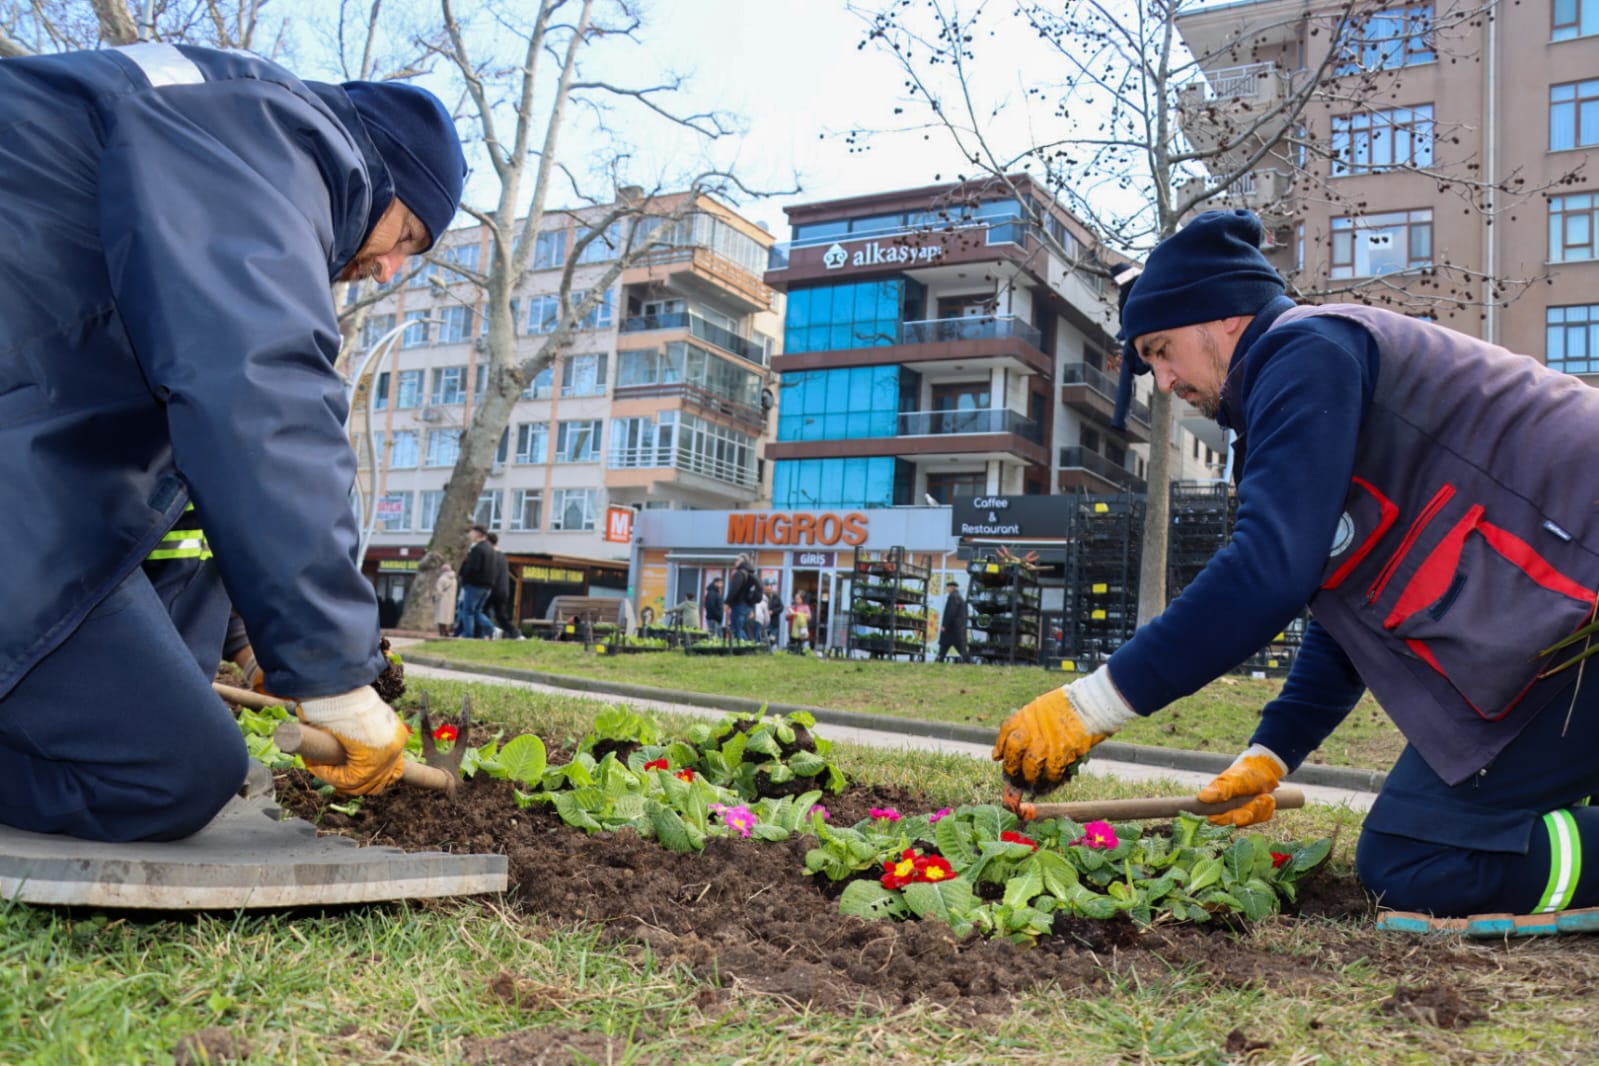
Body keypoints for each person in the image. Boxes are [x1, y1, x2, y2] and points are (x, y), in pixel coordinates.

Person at [994, 208, 1599, 920]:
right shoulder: (1304, 381)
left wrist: (1091, 704)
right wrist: (1272, 753)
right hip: (1564, 626)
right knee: (1421, 848)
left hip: (1577, 624)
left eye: (1160, 350)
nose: (1160, 381)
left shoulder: (1306, 351)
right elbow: (1341, 604)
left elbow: (1268, 571)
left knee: (1421, 860)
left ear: (1222, 319)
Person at [0, 43, 467, 842]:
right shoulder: (273, 136)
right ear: (377, 178)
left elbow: (195, 456)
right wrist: (334, 672)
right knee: (172, 775)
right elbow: (257, 395)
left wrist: (252, 644)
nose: (390, 267)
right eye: (407, 235)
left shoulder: (206, 123)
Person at [455, 525, 498, 639]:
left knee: (468, 611)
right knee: (477, 611)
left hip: (475, 585)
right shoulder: (490, 549)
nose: (470, 535)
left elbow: (473, 568)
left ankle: (469, 634)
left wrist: (464, 576)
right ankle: (492, 629)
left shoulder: (477, 549)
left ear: (478, 534)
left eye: (472, 532)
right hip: (487, 586)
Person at [485, 531, 516, 639]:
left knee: (479, 612)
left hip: (493, 589)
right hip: (503, 589)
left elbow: (491, 572)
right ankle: (515, 633)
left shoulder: (492, 555)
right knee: (501, 616)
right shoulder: (502, 556)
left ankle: (492, 630)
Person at [726, 554, 760, 642]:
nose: (735, 562)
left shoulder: (739, 573)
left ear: (742, 561)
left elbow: (734, 589)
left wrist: (727, 602)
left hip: (739, 605)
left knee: (737, 629)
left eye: (737, 560)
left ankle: (745, 647)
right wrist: (752, 607)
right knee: (743, 628)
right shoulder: (751, 574)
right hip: (747, 606)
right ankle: (747, 646)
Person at [936, 581, 968, 663]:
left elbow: (950, 612)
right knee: (947, 646)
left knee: (958, 647)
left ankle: (967, 661)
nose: (947, 589)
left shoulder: (953, 597)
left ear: (952, 587)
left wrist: (945, 625)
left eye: (948, 587)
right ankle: (939, 659)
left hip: (952, 628)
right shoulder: (958, 597)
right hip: (955, 628)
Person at [433, 558, 458, 638]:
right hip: (450, 602)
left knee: (440, 618)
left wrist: (435, 598)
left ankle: (442, 633)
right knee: (447, 618)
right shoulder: (454, 579)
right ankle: (446, 632)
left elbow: (438, 591)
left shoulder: (442, 579)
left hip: (442, 601)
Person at [765, 582, 784, 648]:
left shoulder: (776, 597)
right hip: (765, 621)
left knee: (772, 638)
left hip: (774, 622)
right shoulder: (763, 597)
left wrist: (773, 611)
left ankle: (772, 649)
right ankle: (767, 649)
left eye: (769, 589)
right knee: (765, 637)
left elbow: (781, 607)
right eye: (767, 589)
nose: (768, 591)